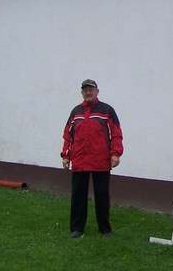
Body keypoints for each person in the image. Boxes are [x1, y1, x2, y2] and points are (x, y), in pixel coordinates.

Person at [61, 79, 124, 238]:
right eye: (85, 90)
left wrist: (115, 153)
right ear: (82, 93)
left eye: (91, 89)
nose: (88, 92)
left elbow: (116, 133)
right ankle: (77, 229)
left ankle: (105, 229)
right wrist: (66, 156)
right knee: (78, 196)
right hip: (80, 161)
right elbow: (68, 135)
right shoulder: (75, 112)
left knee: (102, 195)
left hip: (100, 161)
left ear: (97, 91)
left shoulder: (107, 110)